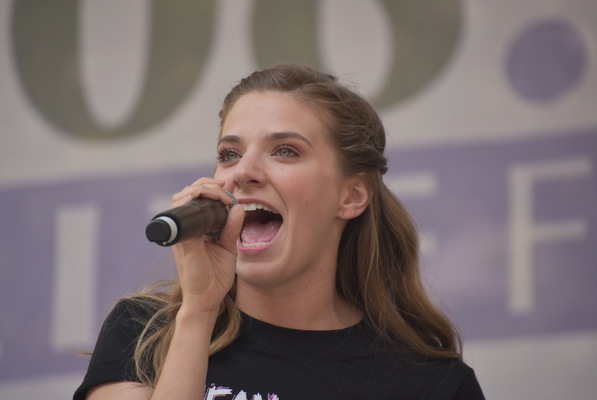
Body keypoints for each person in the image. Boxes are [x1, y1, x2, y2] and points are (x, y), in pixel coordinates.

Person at [74, 63, 485, 399]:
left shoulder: (433, 385)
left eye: (285, 150)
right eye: (229, 154)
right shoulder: (144, 329)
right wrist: (198, 314)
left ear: (351, 195)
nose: (243, 172)